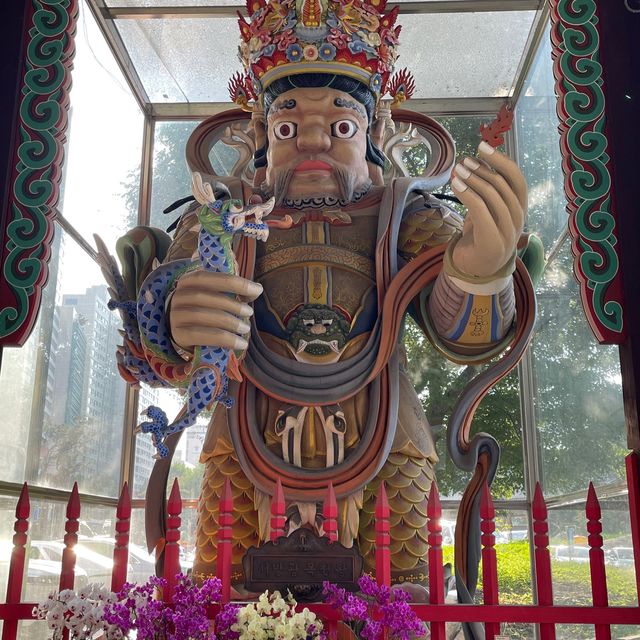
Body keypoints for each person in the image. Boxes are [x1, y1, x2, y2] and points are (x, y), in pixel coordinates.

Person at [110, 0, 534, 591]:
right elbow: (157, 318)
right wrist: (178, 316)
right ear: (260, 136)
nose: (312, 141)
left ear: (376, 136)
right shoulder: (223, 216)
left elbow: (463, 338)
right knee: (226, 597)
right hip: (243, 438)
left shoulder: (404, 214)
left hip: (389, 443)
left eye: (340, 127)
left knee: (400, 602)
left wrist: (481, 273)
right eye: (287, 127)